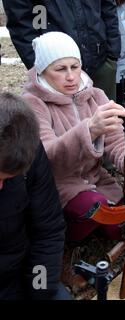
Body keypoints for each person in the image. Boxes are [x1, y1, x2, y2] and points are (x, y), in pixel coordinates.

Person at [22, 32, 125, 243]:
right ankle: (59, 239)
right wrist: (89, 130)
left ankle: (89, 227)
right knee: (93, 208)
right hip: (56, 186)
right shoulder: (32, 103)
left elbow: (116, 141)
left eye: (75, 66)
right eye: (60, 69)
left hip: (95, 179)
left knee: (124, 227)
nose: (71, 76)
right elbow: (47, 159)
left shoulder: (95, 95)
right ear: (43, 71)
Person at [0, 92, 71, 300]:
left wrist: (39, 290)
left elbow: (48, 231)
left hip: (20, 272)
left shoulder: (29, 149)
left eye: (8, 178)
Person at [3, 0, 120, 101]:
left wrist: (112, 54)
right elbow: (20, 24)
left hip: (101, 61)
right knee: (64, 123)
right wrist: (40, 66)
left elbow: (108, 8)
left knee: (107, 120)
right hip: (54, 69)